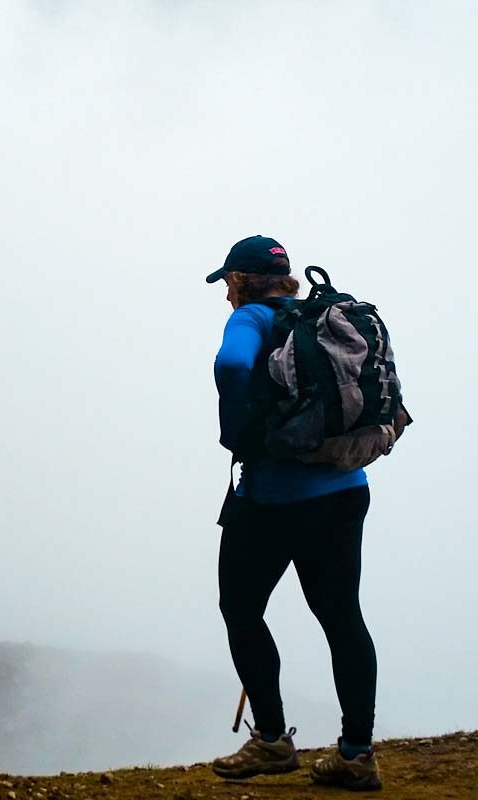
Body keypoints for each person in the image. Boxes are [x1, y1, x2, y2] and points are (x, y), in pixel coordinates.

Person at [207, 236, 381, 791]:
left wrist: (237, 430)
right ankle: (356, 754)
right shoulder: (321, 318)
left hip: (273, 500)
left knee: (240, 608)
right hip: (344, 490)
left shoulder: (252, 319)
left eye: (227, 283)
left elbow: (232, 365)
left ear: (237, 281)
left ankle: (275, 742)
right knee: (342, 618)